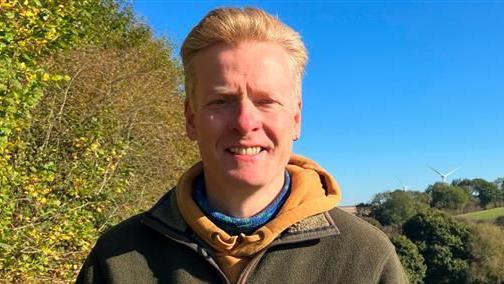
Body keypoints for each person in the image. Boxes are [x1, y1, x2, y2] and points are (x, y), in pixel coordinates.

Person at [77, 7, 407, 284]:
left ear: (295, 118)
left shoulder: (365, 259)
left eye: (266, 101)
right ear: (191, 118)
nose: (245, 122)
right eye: (221, 101)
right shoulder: (117, 259)